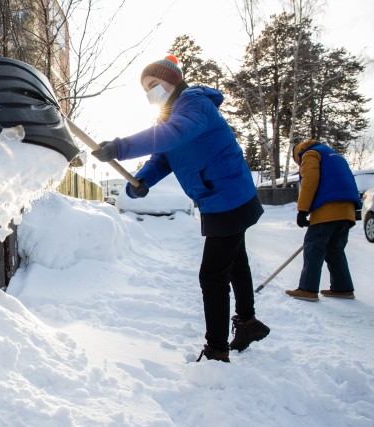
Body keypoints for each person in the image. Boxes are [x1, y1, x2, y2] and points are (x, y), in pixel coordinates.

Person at [92, 55, 269, 363]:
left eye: (153, 84)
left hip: (228, 195)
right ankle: (249, 323)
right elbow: (162, 157)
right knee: (235, 263)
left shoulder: (193, 104)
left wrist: (120, 147)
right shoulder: (169, 117)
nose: (150, 93)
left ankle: (216, 349)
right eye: (145, 89)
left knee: (212, 275)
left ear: (171, 80)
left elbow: (174, 135)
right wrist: (142, 181)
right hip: (218, 197)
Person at [285, 139, 362, 302]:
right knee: (335, 249)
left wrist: (302, 210)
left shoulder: (310, 154)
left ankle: (307, 289)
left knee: (313, 247)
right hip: (347, 209)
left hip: (328, 207)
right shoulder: (335, 156)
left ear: (297, 153)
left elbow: (309, 181)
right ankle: (343, 288)